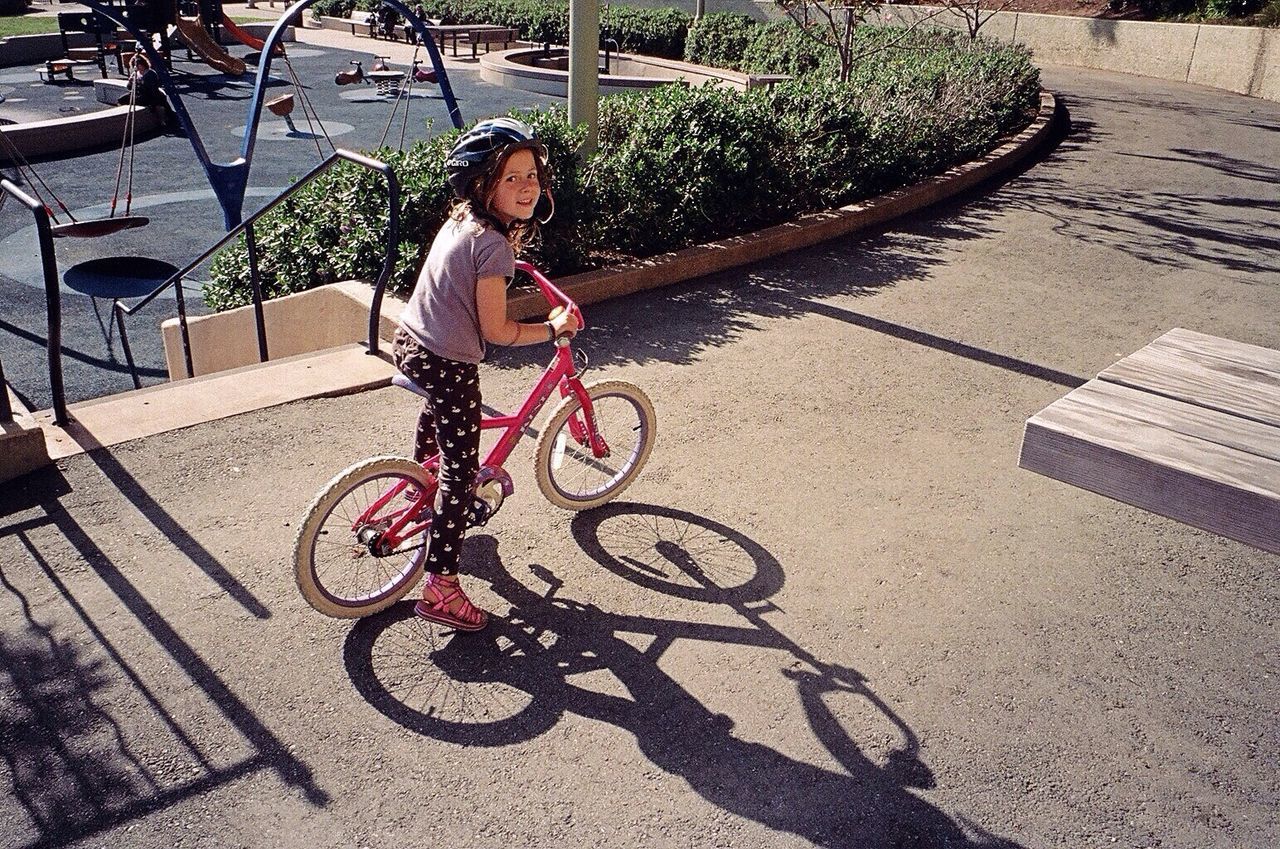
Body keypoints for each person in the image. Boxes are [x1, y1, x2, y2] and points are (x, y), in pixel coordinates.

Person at [393, 118, 577, 632]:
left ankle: (416, 486)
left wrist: (512, 266)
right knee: (461, 472)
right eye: (511, 177)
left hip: (410, 343)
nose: (527, 187)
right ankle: (441, 587)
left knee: (439, 419)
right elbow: (497, 331)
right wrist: (552, 328)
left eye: (532, 176)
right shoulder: (494, 246)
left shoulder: (464, 223)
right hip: (448, 361)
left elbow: (470, 267)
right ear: (483, 185)